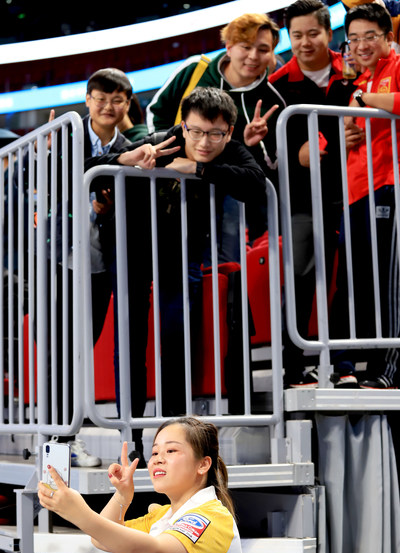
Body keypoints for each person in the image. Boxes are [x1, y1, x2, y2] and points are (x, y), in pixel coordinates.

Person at [95, 86, 268, 416]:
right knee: (130, 340)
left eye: (215, 134)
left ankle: (170, 428)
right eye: (197, 132)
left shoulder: (227, 149)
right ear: (183, 126)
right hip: (133, 247)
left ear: (229, 131)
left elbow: (256, 183)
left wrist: (198, 169)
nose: (204, 143)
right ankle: (129, 432)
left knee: (177, 338)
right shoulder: (161, 140)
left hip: (183, 251)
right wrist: (122, 158)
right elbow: (92, 168)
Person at [43, 68, 178, 465]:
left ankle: (133, 440)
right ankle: (61, 440)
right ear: (87, 100)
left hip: (113, 260)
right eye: (100, 98)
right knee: (68, 349)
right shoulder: (67, 135)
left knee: (129, 347)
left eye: (116, 100)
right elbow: (66, 170)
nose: (107, 106)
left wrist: (116, 204)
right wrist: (117, 162)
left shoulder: (138, 143)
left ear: (126, 104)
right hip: (66, 260)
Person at [38, 417, 247, 553]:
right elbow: (101, 539)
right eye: (155, 451)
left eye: (171, 450)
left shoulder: (212, 516)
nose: (158, 459)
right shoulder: (161, 516)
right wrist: (122, 496)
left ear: (203, 464)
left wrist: (78, 513)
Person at [268, 0, 358, 389]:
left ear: (328, 32)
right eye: (297, 35)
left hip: (353, 191)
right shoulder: (277, 84)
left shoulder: (354, 71)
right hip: (301, 199)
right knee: (301, 277)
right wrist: (297, 152)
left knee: (353, 278)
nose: (305, 43)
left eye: (313, 34)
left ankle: (345, 364)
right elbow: (274, 145)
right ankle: (292, 368)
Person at [146, 13, 286, 262]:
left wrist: (251, 145)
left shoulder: (275, 101)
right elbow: (157, 112)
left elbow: (267, 169)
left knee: (224, 268)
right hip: (176, 188)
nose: (253, 56)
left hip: (229, 203)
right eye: (246, 46)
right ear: (229, 47)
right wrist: (174, 158)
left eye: (263, 49)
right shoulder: (195, 70)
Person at [329, 2, 400, 389]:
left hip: (390, 185)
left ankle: (387, 371)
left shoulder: (394, 71)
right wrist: (346, 135)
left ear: (388, 37)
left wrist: (366, 104)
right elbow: (337, 141)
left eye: (369, 36)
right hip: (356, 193)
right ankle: (346, 366)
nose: (360, 45)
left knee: (388, 283)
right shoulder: (358, 84)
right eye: (353, 39)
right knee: (357, 281)